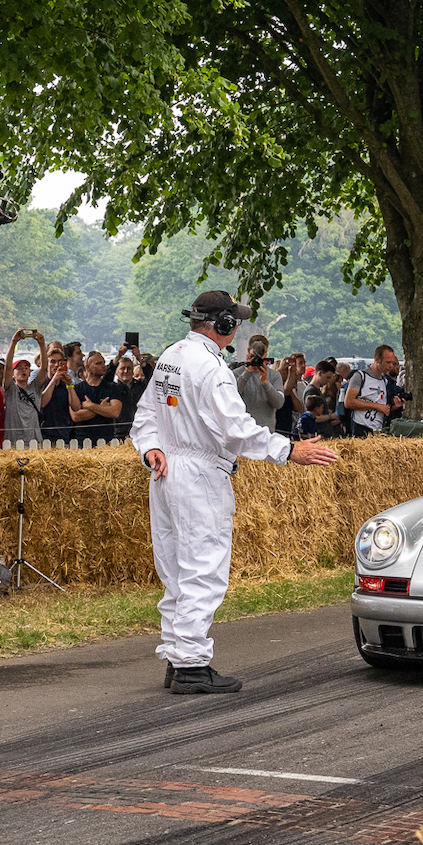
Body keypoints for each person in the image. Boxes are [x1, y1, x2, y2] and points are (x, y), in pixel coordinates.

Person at [130, 291, 340, 694]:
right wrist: (289, 449)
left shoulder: (172, 356)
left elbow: (146, 416)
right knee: (203, 568)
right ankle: (191, 663)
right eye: (235, 321)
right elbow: (236, 430)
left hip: (166, 471)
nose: (239, 327)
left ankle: (177, 654)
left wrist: (150, 448)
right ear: (223, 325)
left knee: (175, 569)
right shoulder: (211, 369)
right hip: (200, 474)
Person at [345, 345, 405, 435]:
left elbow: (383, 408)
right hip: (360, 427)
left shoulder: (385, 381)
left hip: (377, 429)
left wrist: (393, 407)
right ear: (377, 359)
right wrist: (376, 406)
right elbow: (349, 402)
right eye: (387, 362)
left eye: (392, 363)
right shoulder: (360, 376)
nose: (390, 366)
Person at [68, 350, 126, 443]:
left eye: (103, 362)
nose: (103, 366)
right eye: (98, 363)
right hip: (82, 440)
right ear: (87, 367)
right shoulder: (77, 389)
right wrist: (102, 408)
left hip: (106, 441)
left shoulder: (112, 387)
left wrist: (91, 406)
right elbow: (76, 416)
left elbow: (115, 412)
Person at [236, 334, 288, 431]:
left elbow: (279, 403)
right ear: (248, 351)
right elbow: (233, 395)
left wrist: (265, 382)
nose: (260, 356)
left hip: (267, 432)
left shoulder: (274, 376)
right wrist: (247, 372)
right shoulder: (237, 373)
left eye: (263, 352)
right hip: (243, 431)